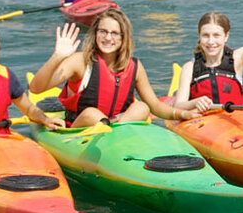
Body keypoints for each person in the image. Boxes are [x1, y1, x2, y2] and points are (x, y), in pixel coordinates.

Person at [32, 8, 184, 127]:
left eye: (115, 33)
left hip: (117, 126)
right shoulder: (80, 61)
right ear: (95, 33)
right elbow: (36, 88)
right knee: (92, 114)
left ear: (123, 38)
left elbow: (155, 106)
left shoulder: (134, 67)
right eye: (103, 32)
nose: (108, 38)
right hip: (82, 128)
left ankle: (114, 128)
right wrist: (57, 56)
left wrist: (183, 114)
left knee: (142, 108)